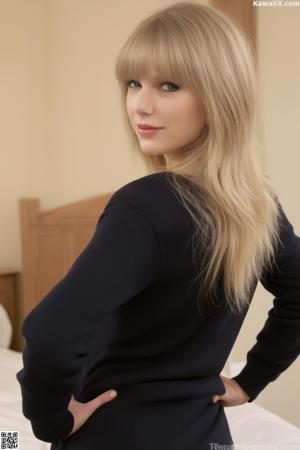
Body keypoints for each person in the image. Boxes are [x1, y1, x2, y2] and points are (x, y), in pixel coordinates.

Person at [16, 2, 300, 449]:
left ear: (220, 95)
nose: (139, 105)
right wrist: (252, 379)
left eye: (168, 85)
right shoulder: (257, 206)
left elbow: (49, 335)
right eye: (132, 83)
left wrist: (51, 422)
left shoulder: (144, 207)